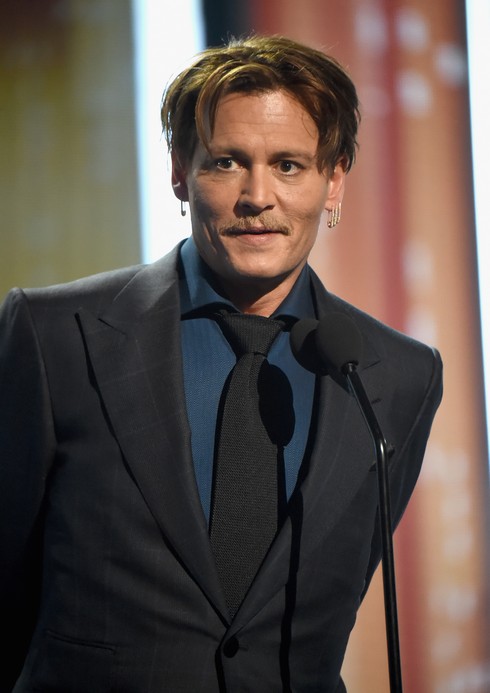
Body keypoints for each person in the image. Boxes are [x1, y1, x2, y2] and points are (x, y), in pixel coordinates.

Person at [0, 34, 442, 692]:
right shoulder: (54, 336)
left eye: (289, 165)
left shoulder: (398, 376)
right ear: (181, 170)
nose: (257, 195)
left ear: (334, 179)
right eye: (227, 162)